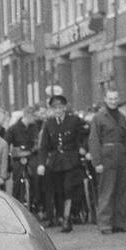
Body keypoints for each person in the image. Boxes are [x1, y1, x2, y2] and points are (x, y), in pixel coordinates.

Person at [36, 92, 88, 233]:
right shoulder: (49, 124)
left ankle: (67, 218)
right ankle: (61, 215)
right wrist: (41, 163)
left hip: (71, 160)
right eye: (55, 108)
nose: (58, 110)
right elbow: (44, 146)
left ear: (65, 107)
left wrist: (83, 148)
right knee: (59, 190)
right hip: (56, 162)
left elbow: (86, 133)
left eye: (60, 107)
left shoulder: (74, 120)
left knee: (68, 188)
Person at [87, 84, 126, 234]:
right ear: (105, 99)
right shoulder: (98, 118)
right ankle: (105, 224)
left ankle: (120, 224)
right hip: (106, 158)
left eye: (115, 98)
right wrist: (97, 162)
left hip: (121, 158)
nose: (113, 101)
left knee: (122, 191)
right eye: (110, 98)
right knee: (107, 191)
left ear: (118, 99)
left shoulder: (122, 117)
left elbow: (125, 139)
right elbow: (94, 140)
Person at [5, 104, 42, 216]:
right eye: (33, 116)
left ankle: (36, 204)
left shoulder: (34, 127)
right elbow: (6, 145)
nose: (35, 119)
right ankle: (15, 205)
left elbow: (37, 142)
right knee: (17, 181)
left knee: (37, 179)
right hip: (18, 158)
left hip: (31, 156)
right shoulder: (13, 129)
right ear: (28, 115)